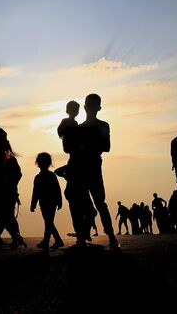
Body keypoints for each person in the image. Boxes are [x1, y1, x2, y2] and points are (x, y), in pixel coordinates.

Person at [78, 94, 120, 249]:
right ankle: (83, 236)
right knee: (83, 204)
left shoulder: (103, 125)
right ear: (85, 107)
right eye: (89, 105)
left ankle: (111, 235)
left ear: (99, 108)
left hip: (94, 166)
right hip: (82, 167)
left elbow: (106, 147)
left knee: (100, 202)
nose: (91, 108)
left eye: (94, 105)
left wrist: (88, 144)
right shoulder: (80, 127)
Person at [30, 152, 64, 251]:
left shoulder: (39, 177)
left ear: (37, 163)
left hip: (46, 203)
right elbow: (57, 190)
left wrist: (33, 204)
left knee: (48, 222)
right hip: (50, 203)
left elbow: (35, 192)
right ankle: (56, 240)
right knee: (49, 222)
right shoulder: (50, 176)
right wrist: (59, 201)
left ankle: (47, 241)